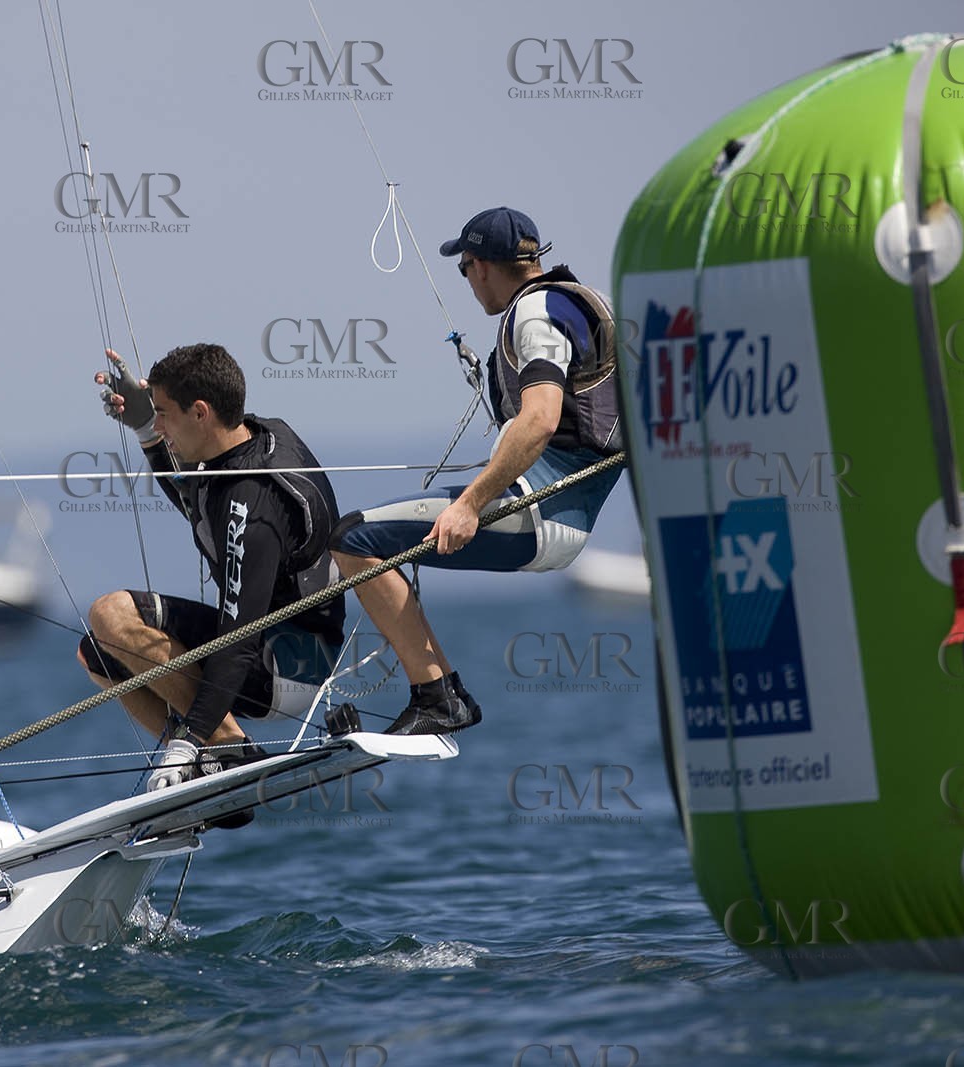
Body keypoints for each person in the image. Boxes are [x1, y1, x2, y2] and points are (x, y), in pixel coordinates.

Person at [330, 207, 624, 735]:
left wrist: (469, 505)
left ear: (482, 265)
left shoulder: (536, 314)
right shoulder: (583, 304)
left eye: (464, 268)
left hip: (536, 507)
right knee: (364, 539)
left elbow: (540, 420)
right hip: (568, 513)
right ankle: (440, 695)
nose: (467, 281)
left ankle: (437, 697)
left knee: (353, 539)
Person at [80, 343, 345, 793]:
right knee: (98, 653)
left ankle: (227, 752)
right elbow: (198, 504)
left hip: (287, 665)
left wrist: (189, 739)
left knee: (110, 614)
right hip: (259, 648)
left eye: (163, 413)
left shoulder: (252, 502)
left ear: (200, 412)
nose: (161, 425)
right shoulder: (252, 439)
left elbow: (240, 641)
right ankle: (216, 766)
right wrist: (145, 428)